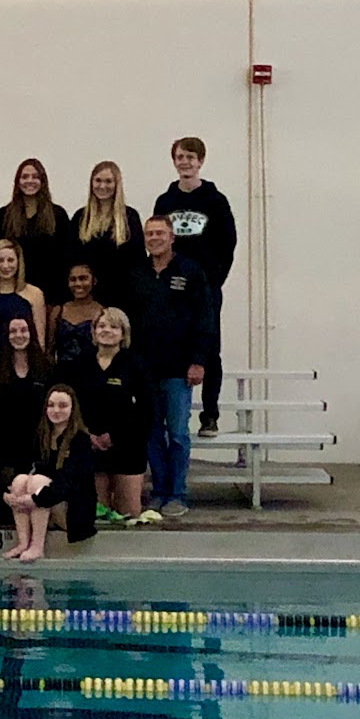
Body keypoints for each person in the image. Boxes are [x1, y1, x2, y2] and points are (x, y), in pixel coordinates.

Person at [128, 215, 215, 517]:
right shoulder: (137, 273)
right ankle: (159, 491)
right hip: (145, 371)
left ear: (172, 237)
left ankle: (178, 494)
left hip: (179, 370)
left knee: (177, 433)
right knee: (152, 433)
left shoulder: (190, 271)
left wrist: (199, 360)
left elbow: (205, 318)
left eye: (160, 233)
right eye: (150, 234)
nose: (154, 238)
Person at [155, 137, 236, 438]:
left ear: (201, 161)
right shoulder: (166, 202)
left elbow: (228, 244)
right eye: (180, 157)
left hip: (205, 286)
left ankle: (210, 415)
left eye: (191, 157)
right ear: (173, 161)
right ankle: (167, 414)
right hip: (173, 286)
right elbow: (157, 239)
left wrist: (213, 280)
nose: (185, 162)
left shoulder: (215, 201)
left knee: (208, 349)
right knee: (169, 344)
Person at [73, 308, 151, 521]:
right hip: (91, 445)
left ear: (123, 334)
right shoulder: (80, 363)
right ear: (94, 331)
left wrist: (114, 437)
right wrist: (87, 435)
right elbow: (71, 405)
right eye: (101, 326)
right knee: (96, 513)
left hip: (127, 447)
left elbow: (146, 410)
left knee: (128, 514)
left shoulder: (136, 364)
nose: (106, 330)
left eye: (113, 327)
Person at [2, 384, 96, 562]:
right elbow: (22, 467)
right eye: (51, 405)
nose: (56, 410)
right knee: (20, 480)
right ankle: (23, 543)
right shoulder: (40, 435)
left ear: (72, 409)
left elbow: (69, 482)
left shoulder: (81, 441)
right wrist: (9, 494)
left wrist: (36, 499)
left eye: (62, 406)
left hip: (72, 509)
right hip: (46, 501)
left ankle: (37, 546)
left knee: (38, 482)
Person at [0, 312, 55, 483]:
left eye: (24, 330)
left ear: (32, 333)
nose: (19, 335)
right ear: (6, 336)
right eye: (13, 331)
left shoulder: (47, 368)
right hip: (5, 448)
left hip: (39, 445)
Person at [0, 158, 72, 300]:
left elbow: (66, 258)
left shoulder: (58, 215)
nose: (30, 181)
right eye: (24, 177)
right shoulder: (4, 215)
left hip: (51, 293)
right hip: (15, 292)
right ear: (17, 182)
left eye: (35, 177)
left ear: (43, 181)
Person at [70, 160, 144, 308]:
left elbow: (139, 259)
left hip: (123, 295)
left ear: (117, 184)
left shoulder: (129, 217)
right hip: (87, 297)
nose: (102, 186)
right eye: (98, 180)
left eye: (108, 181)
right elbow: (71, 257)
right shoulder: (81, 217)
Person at [0, 239, 46, 365]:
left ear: (19, 262)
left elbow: (40, 339)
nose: (5, 266)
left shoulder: (34, 294)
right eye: (0, 261)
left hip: (24, 363)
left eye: (10, 260)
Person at [45, 263, 104, 367]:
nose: (78, 283)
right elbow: (50, 349)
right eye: (73, 279)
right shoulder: (58, 311)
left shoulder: (102, 312)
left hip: (93, 373)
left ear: (94, 281)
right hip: (62, 374)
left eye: (83, 278)